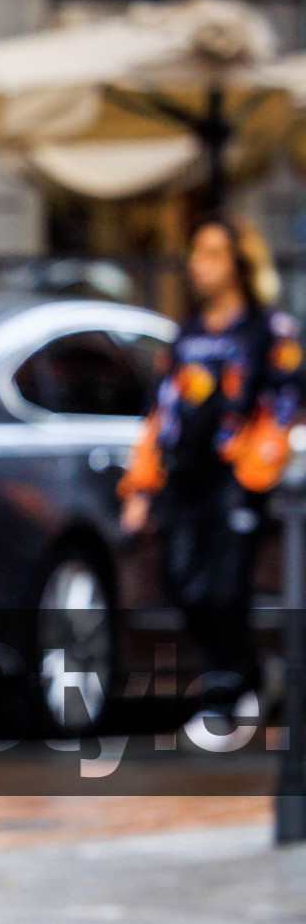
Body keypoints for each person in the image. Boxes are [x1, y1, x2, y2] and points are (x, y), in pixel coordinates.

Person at [120, 218, 304, 715]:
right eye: (197, 253)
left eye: (212, 253)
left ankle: (227, 690)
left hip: (235, 479)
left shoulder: (269, 329)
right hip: (185, 477)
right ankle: (247, 672)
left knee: (225, 586)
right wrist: (141, 486)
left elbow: (287, 400)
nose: (198, 264)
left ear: (239, 264)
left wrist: (256, 468)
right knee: (181, 580)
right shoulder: (188, 332)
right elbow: (161, 412)